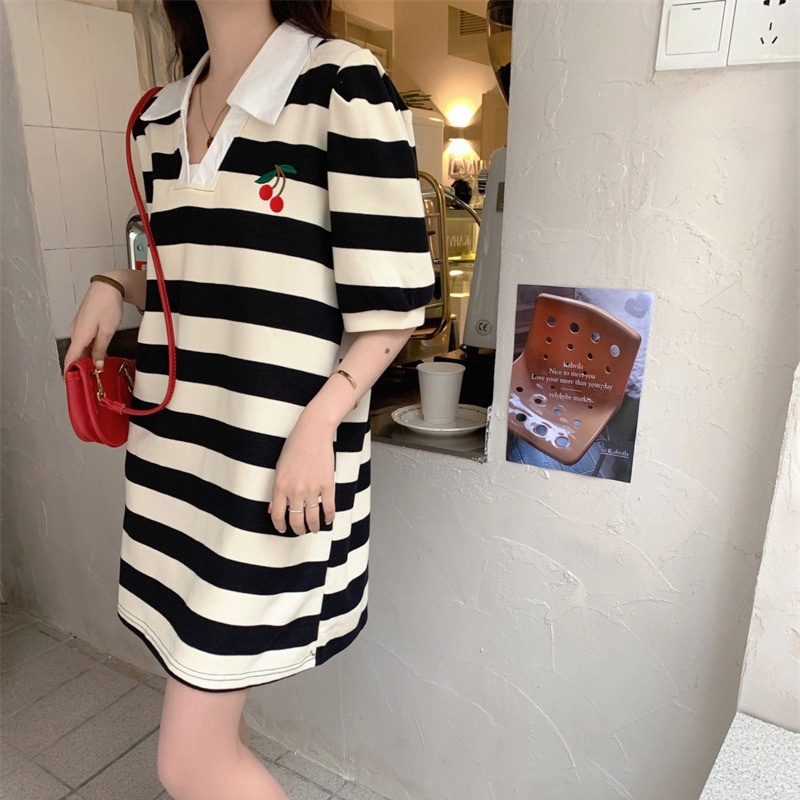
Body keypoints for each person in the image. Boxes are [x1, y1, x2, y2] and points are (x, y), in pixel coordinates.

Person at [63, 1, 436, 798]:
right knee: (202, 699)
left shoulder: (340, 85)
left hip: (272, 463)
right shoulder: (157, 118)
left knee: (187, 759)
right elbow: (186, 271)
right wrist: (113, 282)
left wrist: (322, 423)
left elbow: (396, 304)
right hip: (175, 466)